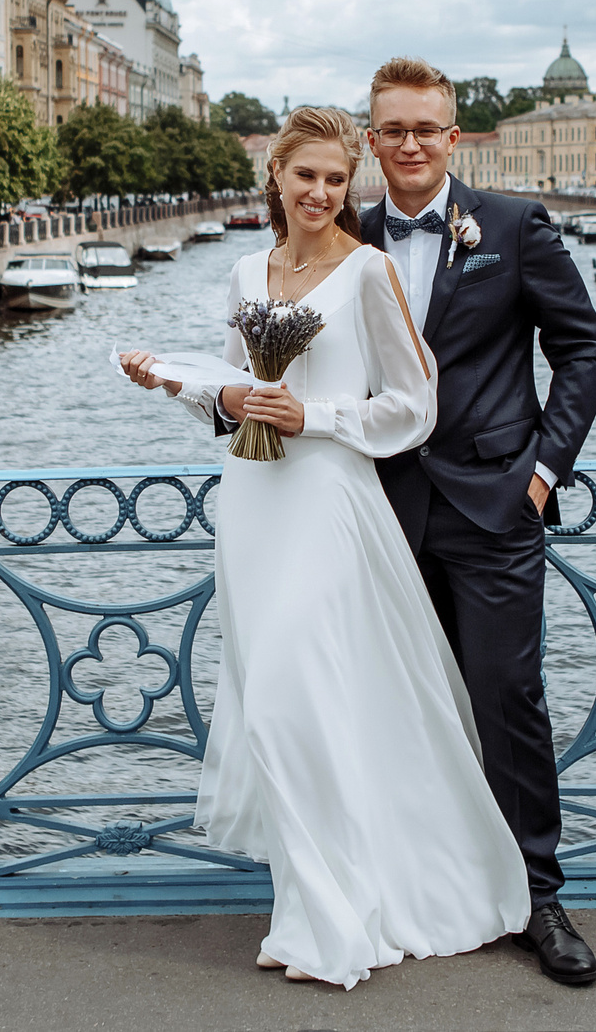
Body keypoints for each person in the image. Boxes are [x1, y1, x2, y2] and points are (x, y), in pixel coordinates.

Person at [119, 106, 527, 989]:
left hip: (330, 501)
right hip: (255, 502)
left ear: (352, 185)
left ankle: (342, 918)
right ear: (277, 175)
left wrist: (320, 416)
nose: (319, 192)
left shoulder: (368, 270)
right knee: (270, 706)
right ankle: (304, 906)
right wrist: (184, 386)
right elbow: (234, 384)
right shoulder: (244, 270)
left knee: (299, 701)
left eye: (336, 179)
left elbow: (415, 405)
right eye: (305, 175)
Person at [350, 56, 596, 987]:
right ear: (371, 137)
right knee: (389, 704)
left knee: (507, 700)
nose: (411, 143)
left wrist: (542, 474)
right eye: (393, 128)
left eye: (427, 128)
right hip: (376, 510)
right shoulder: (345, 232)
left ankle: (537, 895)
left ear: (453, 138)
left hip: (495, 507)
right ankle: (410, 886)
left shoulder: (511, 226)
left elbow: (582, 350)